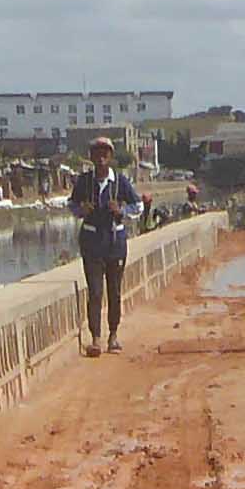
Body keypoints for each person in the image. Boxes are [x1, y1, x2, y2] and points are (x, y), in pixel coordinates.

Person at [68, 131, 143, 352]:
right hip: (92, 242)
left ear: (110, 157)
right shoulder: (84, 181)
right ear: (92, 157)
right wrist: (82, 210)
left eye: (105, 153)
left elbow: (138, 206)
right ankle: (96, 338)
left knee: (114, 291)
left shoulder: (120, 182)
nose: (101, 157)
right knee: (95, 291)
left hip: (115, 242)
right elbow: (71, 205)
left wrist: (121, 210)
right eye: (96, 153)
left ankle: (113, 335)